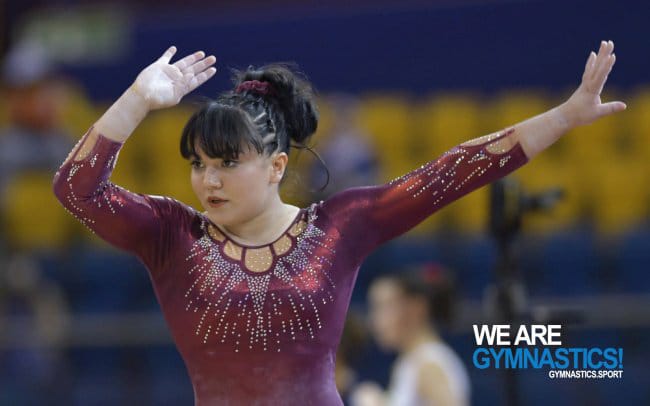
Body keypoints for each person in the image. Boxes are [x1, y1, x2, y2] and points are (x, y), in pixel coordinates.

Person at [52, 40, 624, 405]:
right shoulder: (170, 235)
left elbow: (456, 171)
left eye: (228, 163)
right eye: (198, 165)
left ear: (277, 165)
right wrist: (134, 101)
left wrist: (566, 116)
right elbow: (76, 191)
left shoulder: (339, 228)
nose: (209, 181)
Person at [352, 263, 470, 406]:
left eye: (383, 307)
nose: (373, 321)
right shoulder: (411, 362)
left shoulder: (429, 365)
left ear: (416, 308)